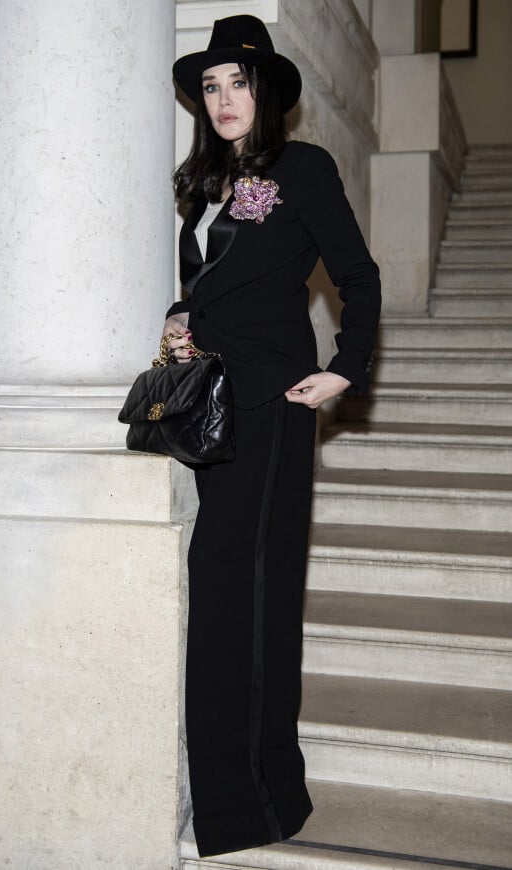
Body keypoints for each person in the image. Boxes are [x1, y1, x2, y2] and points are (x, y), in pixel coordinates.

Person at [163, 14, 381, 859]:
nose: (223, 99)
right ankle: (247, 794)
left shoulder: (305, 168)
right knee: (228, 600)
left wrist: (346, 368)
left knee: (241, 601)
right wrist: (185, 325)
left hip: (276, 409)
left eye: (237, 82)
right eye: (210, 85)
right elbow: (215, 290)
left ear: (267, 91)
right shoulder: (201, 183)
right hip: (218, 409)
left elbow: (357, 276)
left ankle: (251, 803)